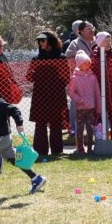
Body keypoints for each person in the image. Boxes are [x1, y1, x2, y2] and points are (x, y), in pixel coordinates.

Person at [27, 30, 69, 158]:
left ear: (50, 40)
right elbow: (29, 77)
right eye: (39, 41)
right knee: (40, 124)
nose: (40, 43)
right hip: (40, 95)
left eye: (43, 40)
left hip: (56, 95)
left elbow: (66, 77)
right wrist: (37, 74)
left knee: (56, 123)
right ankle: (40, 151)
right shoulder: (36, 59)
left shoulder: (61, 58)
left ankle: (57, 150)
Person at [91, 32, 112, 146]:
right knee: (98, 118)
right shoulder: (93, 56)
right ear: (99, 42)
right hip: (98, 90)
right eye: (106, 41)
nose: (108, 43)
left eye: (110, 41)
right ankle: (100, 142)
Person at [68, 51, 100, 154]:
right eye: (84, 62)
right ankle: (80, 148)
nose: (87, 64)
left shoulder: (93, 77)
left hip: (91, 108)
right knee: (79, 129)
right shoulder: (74, 78)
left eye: (88, 62)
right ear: (79, 64)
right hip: (80, 108)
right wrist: (79, 99)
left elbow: (97, 93)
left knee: (90, 129)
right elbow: (71, 92)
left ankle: (90, 148)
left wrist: (98, 107)